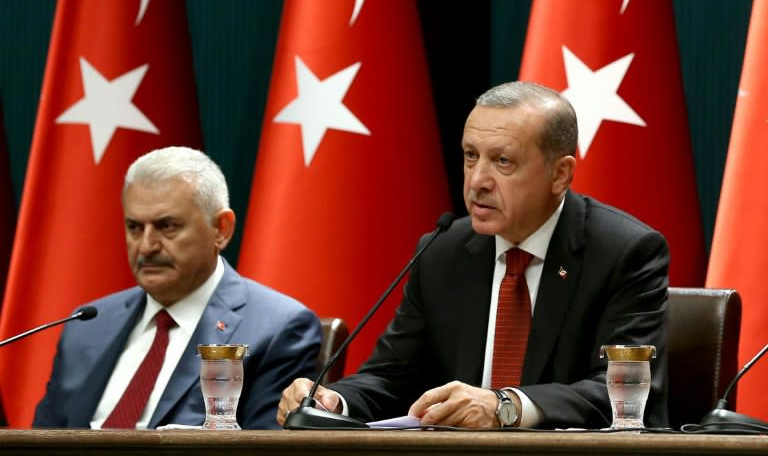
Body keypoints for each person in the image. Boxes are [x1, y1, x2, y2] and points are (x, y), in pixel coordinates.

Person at [278, 81, 669, 429]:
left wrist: (506, 406)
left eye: (503, 161)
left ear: (560, 174)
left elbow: (623, 394)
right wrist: (333, 400)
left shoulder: (623, 252)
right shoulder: (444, 251)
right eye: (470, 155)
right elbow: (392, 375)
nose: (478, 180)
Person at [34, 146, 322, 430]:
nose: (146, 246)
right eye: (134, 227)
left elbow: (264, 451)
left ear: (221, 229)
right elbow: (42, 441)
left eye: (167, 226)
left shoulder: (276, 329)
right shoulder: (88, 325)